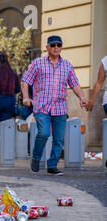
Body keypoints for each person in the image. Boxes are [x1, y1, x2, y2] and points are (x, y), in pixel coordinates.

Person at [22, 35, 88, 176]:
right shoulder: (38, 63)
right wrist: (26, 97)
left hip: (60, 107)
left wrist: (81, 97)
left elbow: (74, 84)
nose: (56, 47)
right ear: (47, 47)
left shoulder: (67, 65)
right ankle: (36, 157)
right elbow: (25, 80)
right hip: (41, 106)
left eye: (59, 45)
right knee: (44, 133)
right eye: (53, 45)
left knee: (59, 138)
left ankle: (52, 165)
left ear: (61, 47)